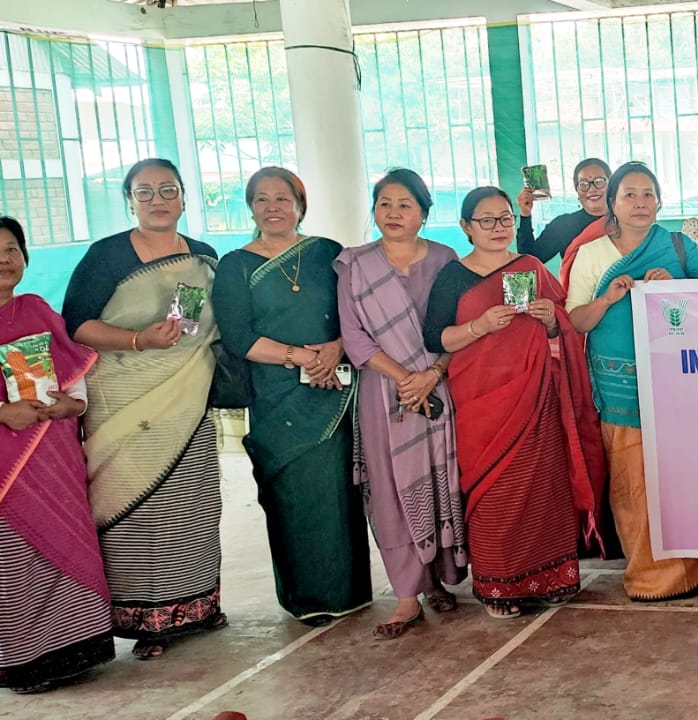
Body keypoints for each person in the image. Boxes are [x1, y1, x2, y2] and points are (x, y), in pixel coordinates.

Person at [61, 158, 226, 661]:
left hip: (187, 397)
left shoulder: (203, 256)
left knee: (192, 505)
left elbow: (201, 327)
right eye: (145, 191)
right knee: (135, 508)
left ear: (184, 197)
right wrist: (138, 340)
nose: (158, 200)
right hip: (123, 400)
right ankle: (145, 617)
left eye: (168, 189)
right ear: (129, 200)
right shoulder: (107, 255)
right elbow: (76, 325)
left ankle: (198, 606)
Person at [423, 187, 607, 618]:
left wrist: (550, 320)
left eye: (505, 218)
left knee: (544, 488)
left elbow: (563, 326)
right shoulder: (453, 277)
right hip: (481, 402)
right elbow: (436, 338)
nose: (498, 228)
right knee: (494, 492)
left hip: (536, 396)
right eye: (486, 220)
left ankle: (552, 577)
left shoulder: (531, 267)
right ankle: (499, 585)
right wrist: (480, 326)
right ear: (466, 227)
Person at [211, 167, 371, 626]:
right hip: (276, 393)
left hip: (334, 387)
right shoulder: (236, 265)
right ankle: (308, 597)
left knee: (337, 490)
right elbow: (238, 336)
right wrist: (302, 357)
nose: (273, 207)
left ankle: (349, 591)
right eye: (261, 199)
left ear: (300, 205)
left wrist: (335, 348)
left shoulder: (326, 253)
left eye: (282, 198)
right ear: (250, 208)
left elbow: (353, 313)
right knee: (293, 495)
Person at [565, 162, 698, 600]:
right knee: (633, 480)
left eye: (648, 195)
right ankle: (650, 577)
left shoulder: (677, 247)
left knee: (683, 472)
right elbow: (576, 321)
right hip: (621, 386)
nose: (640, 203)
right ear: (612, 203)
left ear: (659, 202)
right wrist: (608, 298)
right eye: (630, 195)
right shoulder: (591, 254)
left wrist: (674, 285)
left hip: (678, 380)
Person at [336, 169, 468, 639]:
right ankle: (407, 594)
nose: (393, 213)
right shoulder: (354, 265)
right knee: (392, 487)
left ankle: (438, 578)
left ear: (424, 213)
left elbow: (460, 326)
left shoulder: (446, 259)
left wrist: (432, 375)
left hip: (438, 386)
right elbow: (354, 338)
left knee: (440, 478)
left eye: (405, 205)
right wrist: (406, 379)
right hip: (384, 394)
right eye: (384, 204)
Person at [0, 216, 113, 693]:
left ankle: (75, 647)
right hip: (8, 463)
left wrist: (73, 405)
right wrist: (3, 413)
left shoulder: (36, 309)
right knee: (14, 557)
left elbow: (72, 372)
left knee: (68, 541)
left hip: (54, 450)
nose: (4, 260)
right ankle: (23, 660)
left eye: (11, 249)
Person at [516, 158, 610, 262]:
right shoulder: (563, 226)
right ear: (577, 190)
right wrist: (525, 215)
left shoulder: (622, 221)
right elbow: (528, 262)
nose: (592, 189)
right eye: (583, 184)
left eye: (599, 181)